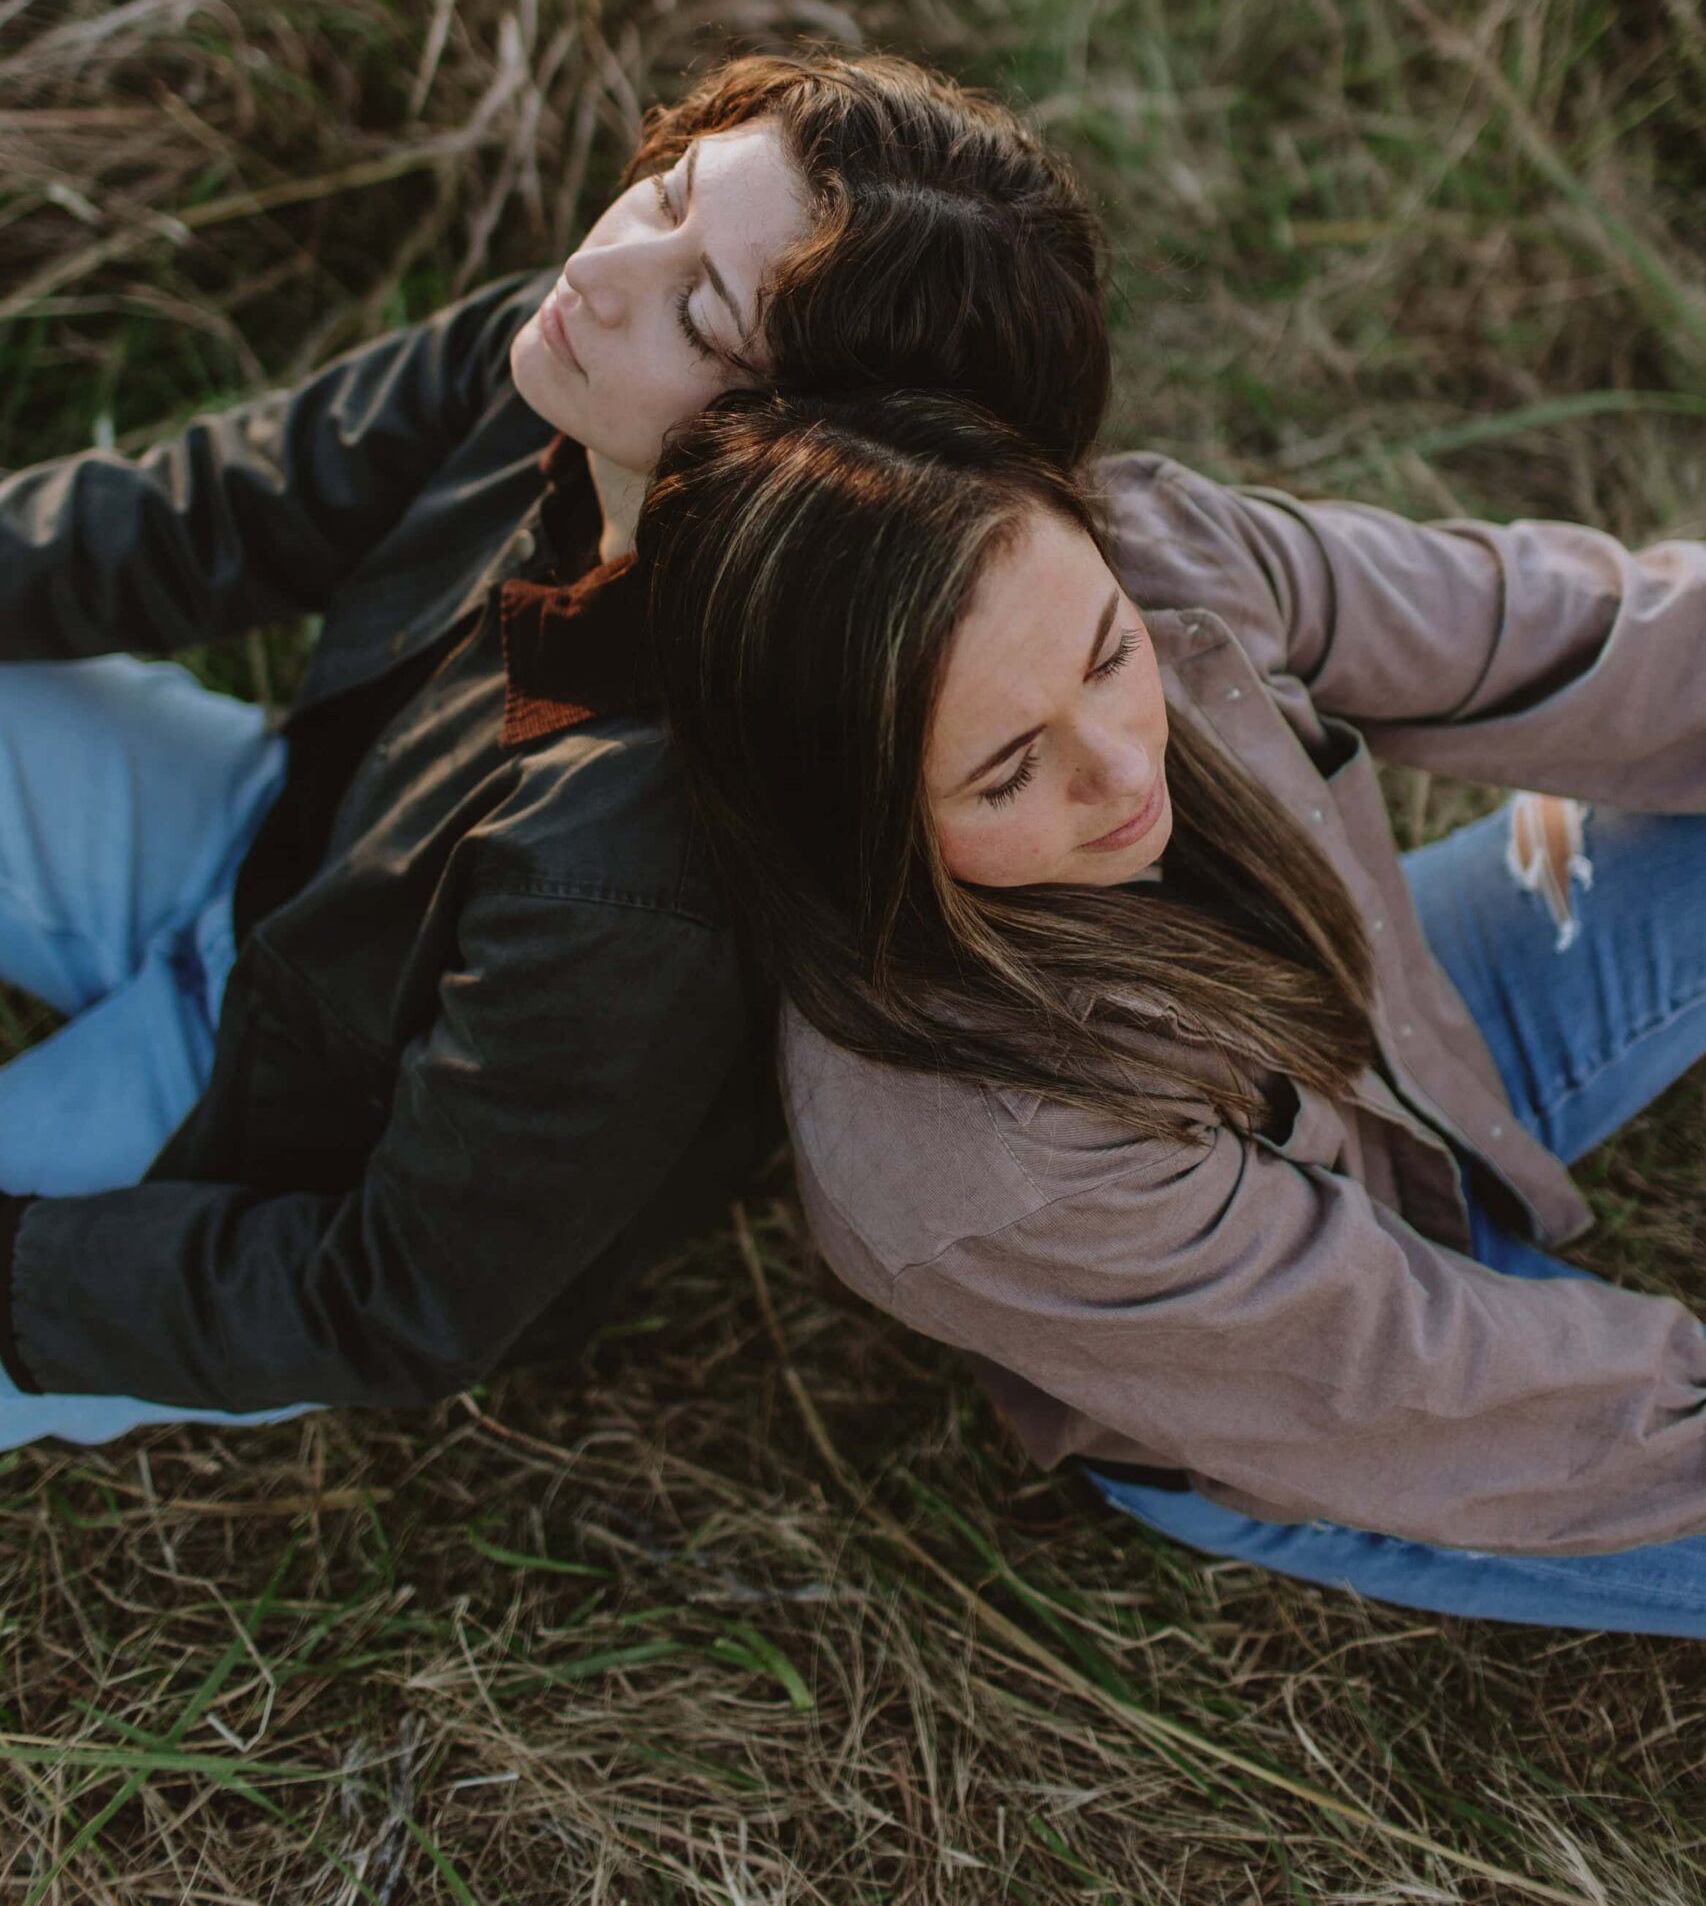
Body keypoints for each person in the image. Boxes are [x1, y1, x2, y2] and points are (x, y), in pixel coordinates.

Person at [0, 52, 1108, 1444]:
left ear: (812, 469)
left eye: (697, 313)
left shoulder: (638, 880)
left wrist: (23, 1268)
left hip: (276, 1134)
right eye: (667, 194)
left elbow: (399, 1296)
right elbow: (215, 510)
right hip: (257, 842)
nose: (606, 270)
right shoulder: (567, 359)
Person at [637, 387, 1706, 1635]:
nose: (1123, 766)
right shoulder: (981, 1155)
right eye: (1007, 769)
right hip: (1291, 1394)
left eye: (1108, 654)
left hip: (1387, 1028)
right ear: (854, 834)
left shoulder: (1167, 553)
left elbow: (1563, 629)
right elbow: (1421, 1382)